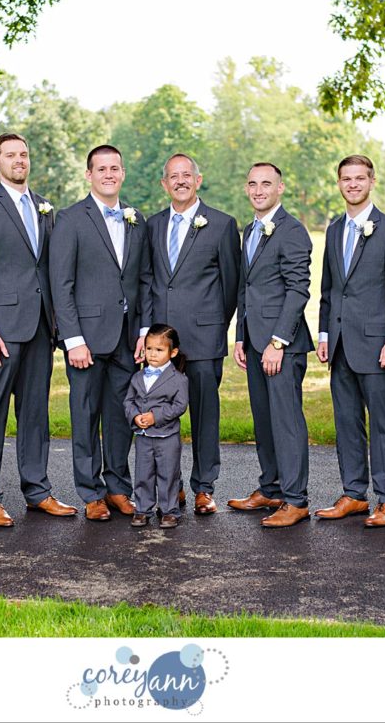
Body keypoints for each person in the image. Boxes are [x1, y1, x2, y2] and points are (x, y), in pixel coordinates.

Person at [0, 133, 76, 527]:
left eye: (24, 154)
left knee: (35, 414)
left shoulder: (45, 207)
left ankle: (37, 490)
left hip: (40, 328)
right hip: (2, 331)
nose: (19, 161)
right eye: (10, 155)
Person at [49, 145, 150, 522]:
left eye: (115, 168)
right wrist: (73, 338)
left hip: (127, 340)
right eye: (101, 169)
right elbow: (62, 283)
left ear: (123, 173)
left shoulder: (135, 218)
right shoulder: (72, 219)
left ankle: (118, 487)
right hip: (86, 341)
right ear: (89, 175)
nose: (109, 174)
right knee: (85, 415)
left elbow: (143, 279)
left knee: (120, 416)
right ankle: (90, 492)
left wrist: (142, 331)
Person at [315, 155, 385, 527]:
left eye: (359, 178)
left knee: (383, 424)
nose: (352, 184)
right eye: (345, 178)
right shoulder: (335, 229)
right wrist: (324, 334)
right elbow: (329, 290)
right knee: (346, 422)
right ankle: (354, 494)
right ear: (339, 184)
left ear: (372, 182)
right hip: (339, 346)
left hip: (378, 347)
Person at [142, 154, 240, 515]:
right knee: (159, 418)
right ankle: (170, 487)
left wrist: (214, 323)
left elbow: (231, 286)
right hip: (159, 345)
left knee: (204, 415)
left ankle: (203, 487)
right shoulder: (151, 225)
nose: (180, 181)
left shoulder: (222, 224)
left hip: (202, 339)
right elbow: (148, 279)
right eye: (173, 176)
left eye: (187, 175)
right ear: (164, 184)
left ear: (198, 180)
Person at [229, 163, 314, 527]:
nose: (258, 190)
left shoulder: (292, 231)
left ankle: (296, 500)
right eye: (252, 184)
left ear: (280, 188)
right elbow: (246, 289)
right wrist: (241, 337)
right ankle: (271, 488)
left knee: (286, 422)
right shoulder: (249, 229)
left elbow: (298, 290)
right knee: (264, 421)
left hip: (282, 345)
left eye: (266, 184)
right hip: (254, 341)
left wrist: (278, 341)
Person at [124, 324, 190, 529]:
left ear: (173, 352)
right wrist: (135, 417)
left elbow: (180, 406)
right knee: (143, 474)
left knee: (168, 474)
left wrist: (155, 417)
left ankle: (169, 510)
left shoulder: (179, 379)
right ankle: (142, 509)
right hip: (143, 436)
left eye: (159, 350)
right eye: (149, 349)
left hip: (167, 436)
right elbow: (129, 402)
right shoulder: (137, 377)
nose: (152, 354)